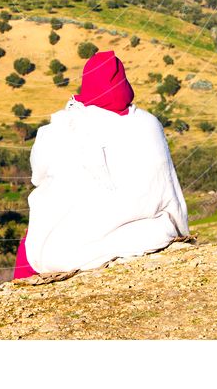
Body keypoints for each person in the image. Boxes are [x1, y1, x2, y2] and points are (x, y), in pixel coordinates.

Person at [13, 50, 189, 277]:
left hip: (71, 243)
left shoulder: (64, 126)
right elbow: (164, 184)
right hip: (145, 230)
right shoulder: (148, 123)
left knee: (35, 245)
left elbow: (38, 176)